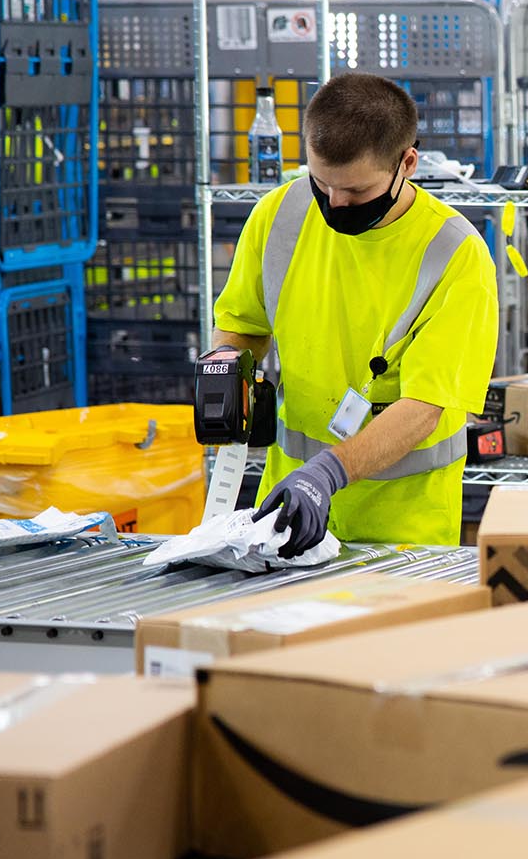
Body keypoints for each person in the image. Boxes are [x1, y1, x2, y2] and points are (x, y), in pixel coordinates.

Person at [211, 72, 499, 553]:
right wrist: (224, 370)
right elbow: (242, 324)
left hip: (404, 533)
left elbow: (422, 410)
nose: (335, 203)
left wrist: (327, 473)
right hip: (287, 518)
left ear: (407, 163)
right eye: (320, 183)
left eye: (357, 192)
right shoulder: (278, 215)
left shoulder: (455, 255)